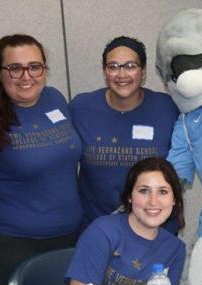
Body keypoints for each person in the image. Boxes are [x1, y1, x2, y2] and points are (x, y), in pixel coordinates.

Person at [0, 34, 83, 285]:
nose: (26, 76)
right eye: (15, 68)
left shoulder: (55, 98)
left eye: (35, 66)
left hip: (71, 236)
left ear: (45, 69)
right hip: (15, 243)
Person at [70, 36, 179, 232]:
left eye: (130, 66)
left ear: (143, 71)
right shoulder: (81, 108)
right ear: (105, 71)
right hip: (98, 231)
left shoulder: (168, 108)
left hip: (156, 230)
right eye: (113, 66)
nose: (122, 74)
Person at [65, 157, 186, 285]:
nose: (153, 201)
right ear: (129, 196)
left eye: (162, 192)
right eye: (144, 191)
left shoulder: (175, 249)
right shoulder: (102, 232)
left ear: (174, 199)